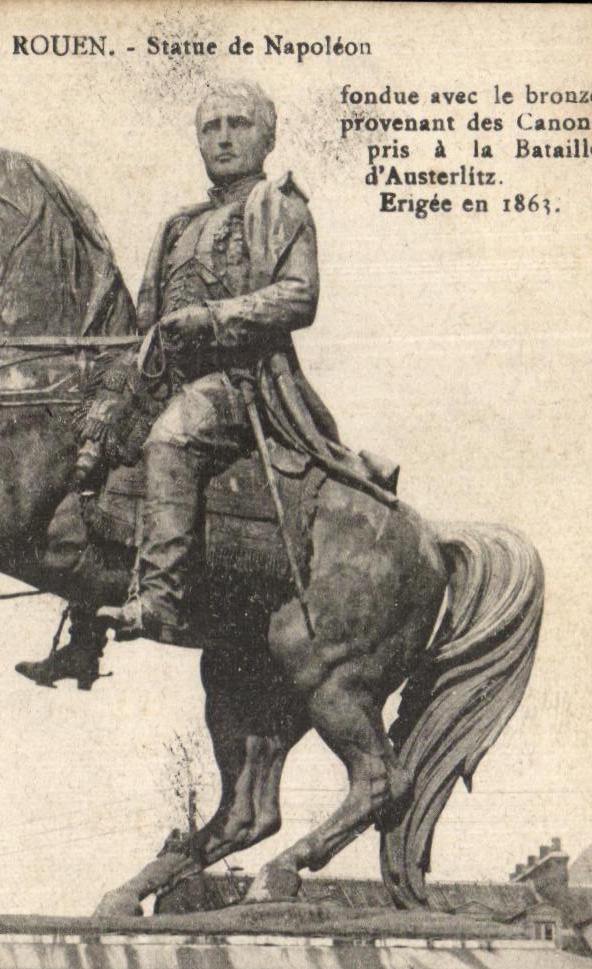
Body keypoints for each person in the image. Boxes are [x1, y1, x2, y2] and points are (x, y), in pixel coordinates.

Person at [99, 80, 394, 644]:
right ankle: (83, 637)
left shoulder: (279, 206)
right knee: (89, 438)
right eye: (211, 128)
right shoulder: (178, 224)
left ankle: (159, 599)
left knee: (172, 437)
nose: (224, 138)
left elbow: (299, 296)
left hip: (241, 381)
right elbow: (147, 316)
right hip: (169, 377)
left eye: (239, 124)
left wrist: (212, 318)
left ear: (268, 137)